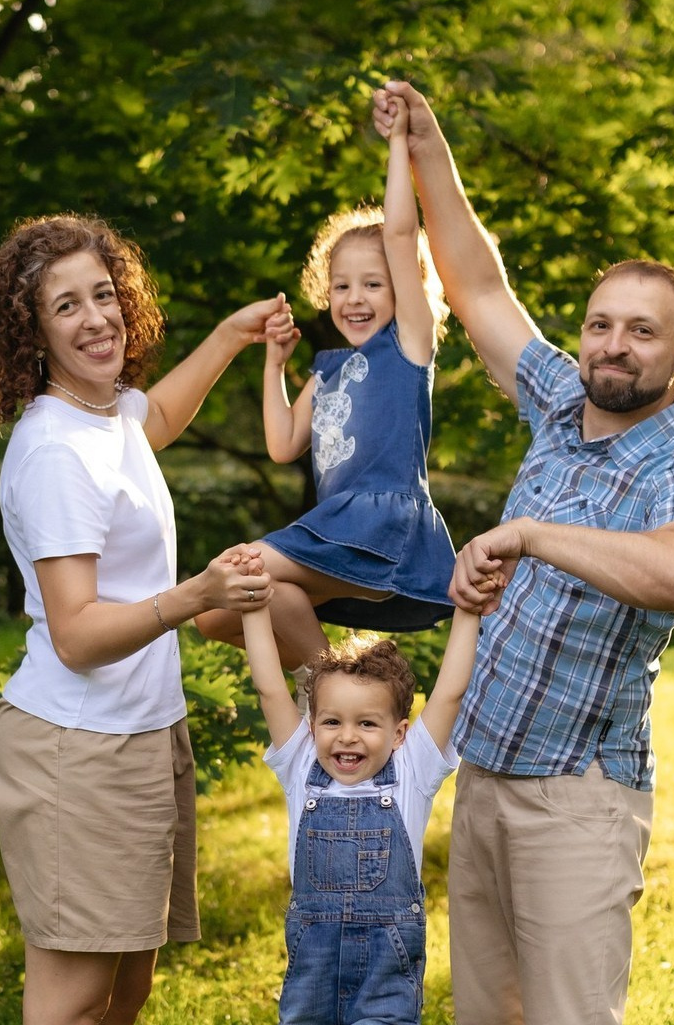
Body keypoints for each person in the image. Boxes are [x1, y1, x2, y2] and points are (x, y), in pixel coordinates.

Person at [372, 84, 674, 1025]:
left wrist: (528, 537)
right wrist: (424, 148)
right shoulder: (552, 407)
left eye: (639, 332)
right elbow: (475, 286)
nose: (610, 346)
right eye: (597, 324)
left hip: (580, 793)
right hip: (487, 779)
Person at [0, 212, 285, 1025]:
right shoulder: (52, 447)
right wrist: (191, 596)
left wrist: (234, 338)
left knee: (124, 993)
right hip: (74, 751)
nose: (95, 317)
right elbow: (78, 630)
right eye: (67, 305)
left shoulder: (104, 420)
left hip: (145, 738)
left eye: (104, 294)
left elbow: (154, 419)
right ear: (33, 330)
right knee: (65, 1007)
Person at [241, 590, 494, 1025]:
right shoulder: (299, 768)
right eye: (330, 721)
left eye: (367, 725)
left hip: (384, 966)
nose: (346, 738)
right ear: (310, 724)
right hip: (314, 969)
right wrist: (248, 614)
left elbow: (450, 689)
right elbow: (269, 684)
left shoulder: (412, 774)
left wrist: (466, 613)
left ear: (400, 734)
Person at [195, 89, 456, 681]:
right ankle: (335, 688)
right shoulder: (329, 369)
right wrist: (273, 365)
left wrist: (397, 143)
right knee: (218, 612)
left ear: (405, 290)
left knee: (229, 574)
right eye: (341, 286)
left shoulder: (408, 348)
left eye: (373, 285)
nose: (355, 299)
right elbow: (284, 443)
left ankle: (336, 695)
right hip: (334, 525)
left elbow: (398, 233)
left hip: (381, 528)